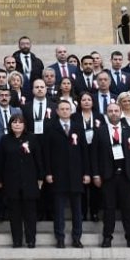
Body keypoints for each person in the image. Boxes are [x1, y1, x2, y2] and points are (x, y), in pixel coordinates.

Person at [92, 103, 130, 249]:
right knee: (109, 208)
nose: (113, 113)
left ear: (121, 112)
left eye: (116, 111)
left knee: (128, 209)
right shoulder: (100, 131)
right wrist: (96, 174)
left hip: (126, 176)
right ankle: (107, 237)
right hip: (108, 176)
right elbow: (94, 155)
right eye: (110, 111)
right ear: (106, 113)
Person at [45, 100, 90, 248]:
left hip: (76, 174)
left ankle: (77, 238)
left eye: (67, 109)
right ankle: (60, 238)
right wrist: (48, 172)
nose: (65, 111)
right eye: (62, 109)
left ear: (71, 111)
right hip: (58, 175)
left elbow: (84, 151)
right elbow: (47, 153)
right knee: (59, 210)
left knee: (77, 209)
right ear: (57, 111)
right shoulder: (51, 127)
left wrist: (86, 172)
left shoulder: (78, 127)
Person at [0, 114, 40, 248]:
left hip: (29, 181)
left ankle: (31, 239)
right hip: (11, 182)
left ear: (24, 124)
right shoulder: (5, 140)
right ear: (10, 125)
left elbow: (38, 159)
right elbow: (0, 161)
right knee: (14, 213)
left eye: (20, 122)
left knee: (30, 213)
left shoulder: (32, 138)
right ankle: (17, 240)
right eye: (14, 122)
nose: (17, 125)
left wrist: (40, 177)